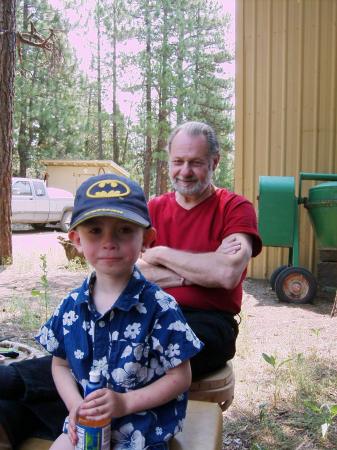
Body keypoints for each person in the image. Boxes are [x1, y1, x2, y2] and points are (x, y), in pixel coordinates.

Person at [0, 121, 262, 448]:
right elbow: (132, 271)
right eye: (178, 161)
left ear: (214, 162)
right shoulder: (150, 208)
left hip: (208, 321)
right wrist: (198, 268)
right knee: (98, 355)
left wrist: (162, 255)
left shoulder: (233, 208)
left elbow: (225, 275)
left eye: (195, 162)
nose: (185, 170)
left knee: (120, 366)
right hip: (127, 308)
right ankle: (13, 413)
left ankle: (12, 388)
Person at [37, 173, 203, 449]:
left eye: (124, 230)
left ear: (147, 239)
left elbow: (181, 376)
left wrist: (124, 402)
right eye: (95, 230)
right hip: (85, 428)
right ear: (76, 239)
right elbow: (60, 364)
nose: (109, 241)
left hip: (141, 433)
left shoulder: (160, 308)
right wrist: (76, 405)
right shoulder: (70, 306)